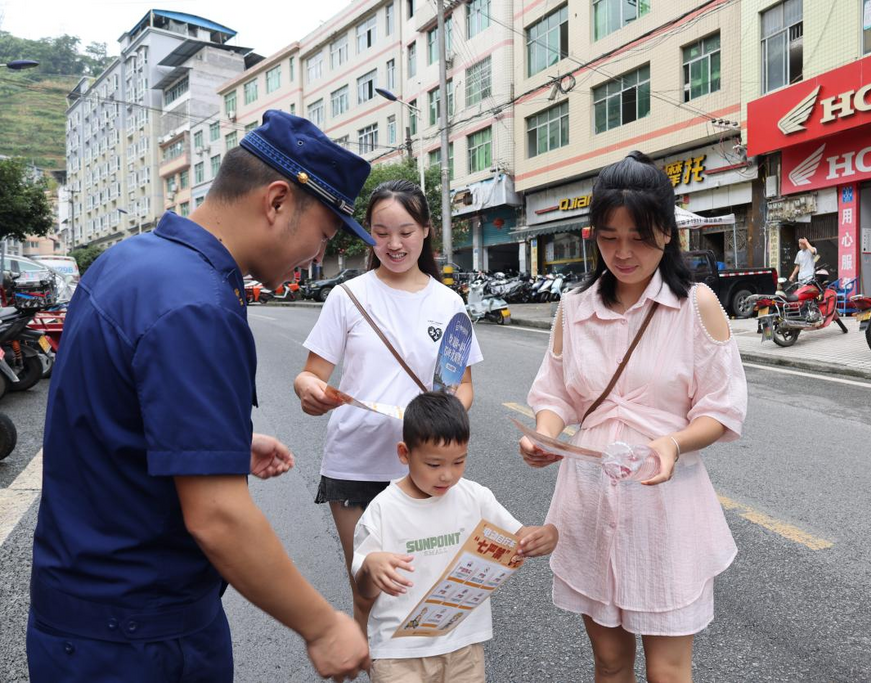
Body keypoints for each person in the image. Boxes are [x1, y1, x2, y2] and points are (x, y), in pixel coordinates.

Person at [27, 110, 374, 682]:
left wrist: (225, 446)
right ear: (278, 200)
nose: (316, 256)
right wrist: (323, 626)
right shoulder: (197, 304)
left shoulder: (130, 261)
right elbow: (217, 516)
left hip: (80, 616)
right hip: (141, 636)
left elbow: (113, 418)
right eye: (325, 234)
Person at [519, 151, 748, 683]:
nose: (623, 252)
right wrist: (545, 437)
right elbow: (555, 395)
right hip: (589, 504)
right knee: (609, 661)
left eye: (638, 236)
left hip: (665, 504)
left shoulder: (697, 305)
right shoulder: (574, 309)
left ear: (666, 232)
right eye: (608, 236)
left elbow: (722, 407)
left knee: (668, 669)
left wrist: (672, 443)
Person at [293, 179, 482, 634]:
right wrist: (310, 392)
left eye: (405, 231)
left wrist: (445, 419)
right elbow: (309, 374)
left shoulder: (448, 302)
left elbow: (465, 386)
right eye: (380, 232)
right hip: (355, 463)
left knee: (421, 587)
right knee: (368, 588)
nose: (393, 244)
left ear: (425, 231)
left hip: (423, 468)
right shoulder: (347, 297)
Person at [352, 392, 558, 682]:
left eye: (459, 462)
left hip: (463, 644)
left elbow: (520, 536)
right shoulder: (383, 510)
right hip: (398, 653)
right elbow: (364, 589)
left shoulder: (475, 497)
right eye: (434, 465)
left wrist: (544, 536)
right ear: (404, 453)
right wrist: (371, 565)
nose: (447, 476)